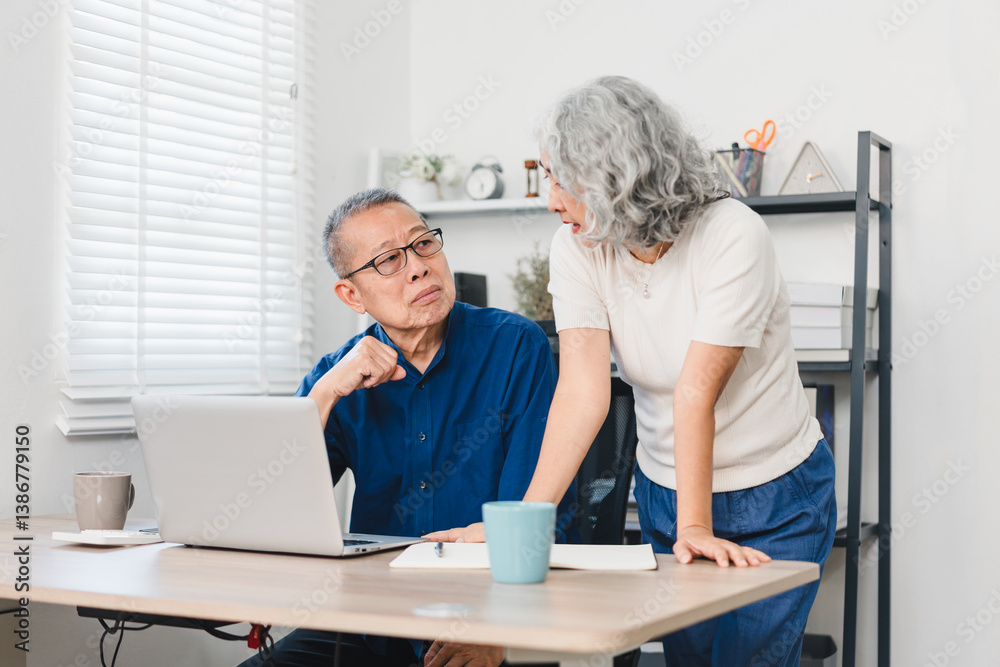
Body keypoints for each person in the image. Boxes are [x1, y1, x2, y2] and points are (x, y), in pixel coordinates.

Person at [427, 76, 837, 667]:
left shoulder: (732, 235)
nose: (551, 199)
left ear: (619, 178)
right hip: (664, 490)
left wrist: (695, 528)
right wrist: (521, 521)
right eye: (547, 176)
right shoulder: (577, 246)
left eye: (563, 180)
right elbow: (582, 393)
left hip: (775, 493)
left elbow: (696, 391)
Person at [238, 187, 574, 667]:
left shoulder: (514, 346)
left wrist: (501, 628)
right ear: (351, 294)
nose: (418, 266)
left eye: (422, 244)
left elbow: (540, 515)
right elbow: (272, 501)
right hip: (372, 621)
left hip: (486, 609)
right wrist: (327, 392)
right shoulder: (337, 374)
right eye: (388, 261)